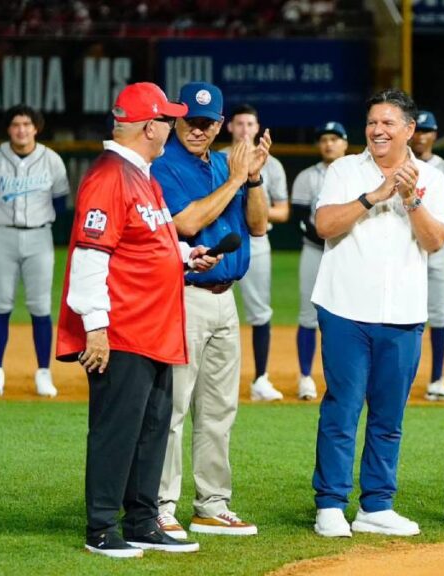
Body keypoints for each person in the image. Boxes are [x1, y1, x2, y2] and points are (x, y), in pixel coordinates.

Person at [56, 82, 211, 557]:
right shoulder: (109, 176)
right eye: (169, 118)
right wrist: (96, 328)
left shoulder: (142, 174)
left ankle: (143, 521)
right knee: (117, 431)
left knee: (150, 430)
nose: (175, 125)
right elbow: (89, 254)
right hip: (123, 331)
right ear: (150, 126)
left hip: (156, 331)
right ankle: (102, 528)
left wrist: (184, 254)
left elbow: (148, 240)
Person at [310, 89, 444, 538]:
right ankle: (330, 504)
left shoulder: (431, 177)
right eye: (373, 122)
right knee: (343, 409)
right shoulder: (344, 169)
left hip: (403, 313)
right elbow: (325, 225)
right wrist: (375, 195)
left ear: (410, 129)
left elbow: (434, 241)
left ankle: (376, 505)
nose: (378, 130)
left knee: (389, 417)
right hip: (345, 308)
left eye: (389, 123)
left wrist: (409, 198)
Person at [153, 82, 269, 539]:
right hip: (184, 296)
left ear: (220, 124)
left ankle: (211, 504)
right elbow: (186, 223)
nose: (199, 130)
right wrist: (238, 180)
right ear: (177, 120)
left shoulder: (226, 163)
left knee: (220, 410)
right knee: (175, 407)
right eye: (191, 121)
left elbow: (257, 226)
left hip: (226, 302)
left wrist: (254, 178)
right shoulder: (164, 167)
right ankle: (161, 505)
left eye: (207, 123)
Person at [0, 104, 69, 398]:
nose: (21, 129)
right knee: (0, 305)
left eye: (27, 124)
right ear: (9, 128)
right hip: (2, 236)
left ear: (36, 128)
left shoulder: (52, 160)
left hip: (39, 236)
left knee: (40, 307)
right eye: (16, 124)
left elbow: (61, 203)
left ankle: (43, 373)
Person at [223, 104, 291, 402]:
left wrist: (254, 209)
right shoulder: (217, 159)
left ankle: (260, 378)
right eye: (239, 124)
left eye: (250, 124)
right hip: (221, 242)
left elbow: (283, 210)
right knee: (212, 305)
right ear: (229, 127)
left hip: (257, 241)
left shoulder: (271, 164)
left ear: (258, 127)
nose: (245, 129)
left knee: (260, 312)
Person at [292, 121, 349, 401]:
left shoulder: (356, 174)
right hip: (314, 251)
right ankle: (305, 377)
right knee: (307, 314)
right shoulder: (307, 176)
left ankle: (343, 377)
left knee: (348, 314)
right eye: (324, 139)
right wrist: (323, 237)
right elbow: (300, 217)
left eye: (335, 139)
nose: (329, 143)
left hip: (346, 252)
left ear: (345, 143)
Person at [410, 110, 444, 401]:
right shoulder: (400, 164)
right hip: (407, 248)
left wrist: (440, 236)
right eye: (418, 130)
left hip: (439, 248)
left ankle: (437, 379)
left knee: (439, 314)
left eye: (427, 131)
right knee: (406, 313)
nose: (421, 136)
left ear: (434, 135)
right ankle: (404, 377)